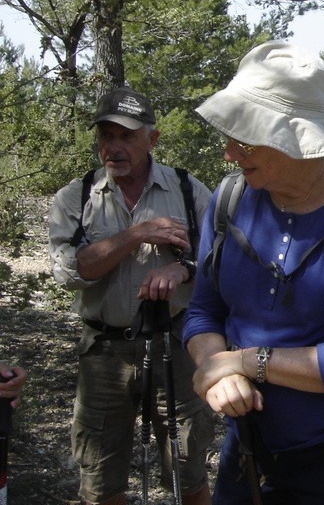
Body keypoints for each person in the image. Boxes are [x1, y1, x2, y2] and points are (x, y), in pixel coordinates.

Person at [184, 41, 324, 504]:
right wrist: (217, 371)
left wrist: (246, 362)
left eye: (244, 138)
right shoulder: (228, 203)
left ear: (292, 138)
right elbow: (204, 311)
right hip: (247, 448)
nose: (228, 153)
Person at [48, 87, 215, 505]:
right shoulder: (76, 197)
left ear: (152, 139)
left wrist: (182, 268)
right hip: (104, 353)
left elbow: (221, 259)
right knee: (101, 477)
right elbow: (70, 271)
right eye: (106, 136)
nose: (114, 147)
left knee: (188, 468)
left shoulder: (187, 189)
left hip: (174, 345)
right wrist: (138, 234)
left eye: (126, 136)